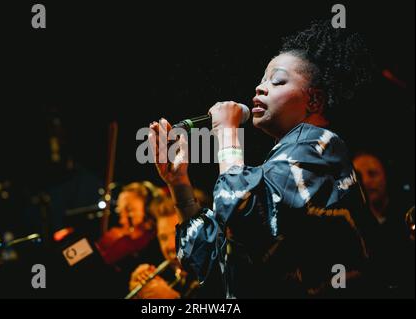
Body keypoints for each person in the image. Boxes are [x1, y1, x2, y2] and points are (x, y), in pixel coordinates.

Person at [148, 20, 374, 298]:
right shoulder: (272, 171)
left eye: (277, 81)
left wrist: (226, 132)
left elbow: (241, 207)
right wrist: (179, 183)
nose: (259, 88)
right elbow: (211, 264)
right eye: (262, 80)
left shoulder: (321, 145)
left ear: (314, 101)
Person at [353, 152, 415, 297]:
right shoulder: (349, 223)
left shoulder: (407, 215)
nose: (366, 181)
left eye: (372, 174)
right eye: (358, 176)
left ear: (386, 177)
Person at [96, 182, 164, 297]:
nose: (122, 220)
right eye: (120, 211)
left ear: (148, 209)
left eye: (129, 209)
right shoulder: (120, 237)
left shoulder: (157, 240)